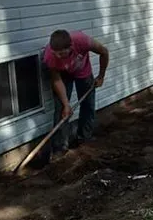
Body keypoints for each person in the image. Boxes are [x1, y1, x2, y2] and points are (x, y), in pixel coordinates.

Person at [42, 29, 109, 158]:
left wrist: (101, 76)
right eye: (57, 54)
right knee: (61, 109)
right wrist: (66, 104)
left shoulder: (82, 41)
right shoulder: (49, 56)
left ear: (70, 47)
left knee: (88, 105)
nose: (59, 57)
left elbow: (104, 52)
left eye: (62, 53)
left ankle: (84, 138)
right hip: (63, 76)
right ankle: (60, 149)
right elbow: (56, 80)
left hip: (83, 71)